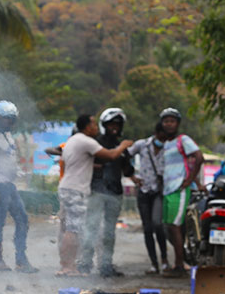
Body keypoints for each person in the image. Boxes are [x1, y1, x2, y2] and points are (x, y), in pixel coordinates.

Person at [47, 113, 133, 277]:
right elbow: (112, 155)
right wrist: (123, 146)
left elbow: (78, 161)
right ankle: (68, 267)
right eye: (93, 125)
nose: (96, 128)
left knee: (71, 228)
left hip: (69, 187)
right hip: (75, 189)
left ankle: (69, 265)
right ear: (87, 127)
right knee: (74, 229)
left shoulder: (73, 140)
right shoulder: (86, 141)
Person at [77, 107, 134, 277]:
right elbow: (85, 161)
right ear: (104, 125)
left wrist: (135, 176)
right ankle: (85, 264)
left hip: (115, 193)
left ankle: (106, 265)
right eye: (111, 124)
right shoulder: (96, 142)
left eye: (118, 124)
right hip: (96, 191)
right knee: (91, 228)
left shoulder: (122, 147)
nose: (114, 127)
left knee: (109, 232)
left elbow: (127, 170)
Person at [0, 100, 37, 273]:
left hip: (10, 186)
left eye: (12, 119)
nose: (10, 123)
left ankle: (20, 259)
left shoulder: (8, 137)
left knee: (22, 220)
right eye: (7, 119)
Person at [158, 107, 205, 277]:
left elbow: (199, 157)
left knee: (176, 226)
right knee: (170, 227)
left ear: (177, 123)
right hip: (169, 190)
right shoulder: (167, 144)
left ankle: (179, 265)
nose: (168, 124)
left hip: (180, 188)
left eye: (172, 121)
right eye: (165, 121)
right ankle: (181, 261)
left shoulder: (183, 139)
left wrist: (191, 180)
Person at [129, 122, 170, 274]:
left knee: (158, 224)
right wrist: (132, 176)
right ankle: (154, 264)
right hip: (144, 191)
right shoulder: (142, 145)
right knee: (147, 229)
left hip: (159, 192)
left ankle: (165, 260)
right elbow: (124, 155)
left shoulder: (170, 148)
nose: (163, 140)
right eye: (162, 136)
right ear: (156, 133)